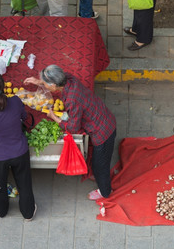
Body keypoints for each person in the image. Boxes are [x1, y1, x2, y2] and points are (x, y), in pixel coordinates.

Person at [24, 65, 116, 201]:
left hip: (103, 131)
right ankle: (98, 176)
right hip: (103, 115)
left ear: (54, 85)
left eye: (45, 83)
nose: (44, 85)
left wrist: (54, 117)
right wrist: (40, 82)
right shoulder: (69, 79)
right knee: (98, 162)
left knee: (100, 165)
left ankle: (105, 191)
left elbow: (72, 128)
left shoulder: (72, 99)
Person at [0, 72, 37, 221]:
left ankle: (1, 212)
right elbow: (24, 117)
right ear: (3, 86)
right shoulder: (16, 101)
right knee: (24, 184)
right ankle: (28, 213)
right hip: (19, 152)